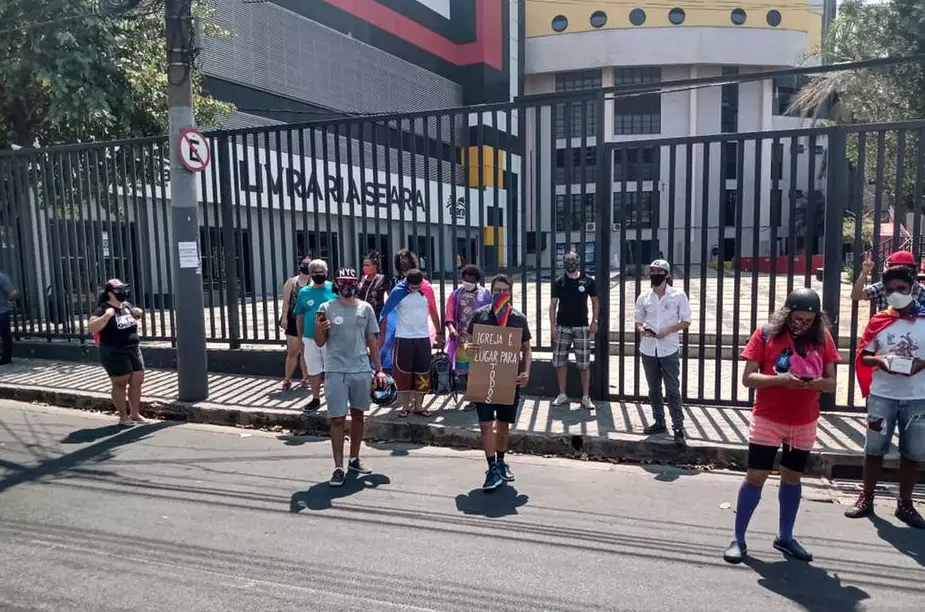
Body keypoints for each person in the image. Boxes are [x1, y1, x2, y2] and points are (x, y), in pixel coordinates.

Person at [722, 288, 839, 564]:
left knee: (792, 477)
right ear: (786, 314)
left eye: (808, 320)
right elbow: (748, 379)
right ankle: (738, 538)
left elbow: (832, 381)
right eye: (797, 319)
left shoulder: (822, 337)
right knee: (756, 475)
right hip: (767, 417)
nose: (802, 324)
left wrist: (814, 383)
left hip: (804, 420)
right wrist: (780, 379)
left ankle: (785, 537)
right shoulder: (766, 334)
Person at [846, 265, 925, 528]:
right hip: (882, 396)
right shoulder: (879, 320)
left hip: (917, 398)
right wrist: (880, 361)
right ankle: (866, 498)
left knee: (912, 453)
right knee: (874, 449)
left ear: (912, 288)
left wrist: (920, 364)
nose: (895, 295)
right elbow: (864, 356)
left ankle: (905, 503)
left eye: (901, 289)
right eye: (890, 290)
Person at [314, 267, 388, 487]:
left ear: (357, 283)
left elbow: (372, 342)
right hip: (336, 369)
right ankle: (338, 466)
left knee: (358, 416)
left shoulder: (365, 309)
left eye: (351, 281)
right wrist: (319, 329)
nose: (348, 285)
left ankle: (354, 459)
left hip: (360, 370)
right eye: (343, 281)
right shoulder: (325, 308)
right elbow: (319, 342)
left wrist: (379, 369)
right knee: (337, 418)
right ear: (336, 283)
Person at [465, 274, 532, 490]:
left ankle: (501, 462)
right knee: (486, 425)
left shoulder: (518, 319)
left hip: (509, 380)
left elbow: (526, 347)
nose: (500, 294)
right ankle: (491, 467)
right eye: (496, 291)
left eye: (504, 291)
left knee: (503, 425)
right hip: (484, 378)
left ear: (510, 293)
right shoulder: (480, 316)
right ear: (490, 292)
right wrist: (468, 348)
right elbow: (467, 342)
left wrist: (526, 372)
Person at [634, 259, 692, 444]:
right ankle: (659, 421)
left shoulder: (678, 295)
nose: (655, 275)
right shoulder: (644, 297)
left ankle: (678, 426)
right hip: (648, 348)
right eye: (652, 271)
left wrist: (668, 330)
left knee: (672, 389)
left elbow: (686, 320)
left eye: (659, 272)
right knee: (654, 388)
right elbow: (638, 320)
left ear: (667, 275)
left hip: (669, 348)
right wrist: (642, 329)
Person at [379, 268, 443, 417]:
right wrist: (381, 337)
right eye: (412, 286)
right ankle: (406, 406)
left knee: (423, 372)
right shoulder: (398, 292)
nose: (414, 289)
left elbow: (433, 312)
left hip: (423, 338)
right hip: (404, 338)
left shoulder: (427, 290)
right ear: (406, 282)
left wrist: (439, 333)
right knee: (403, 373)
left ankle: (419, 405)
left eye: (417, 286)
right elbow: (385, 313)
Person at [87, 279, 146, 427]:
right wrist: (107, 316)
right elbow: (92, 327)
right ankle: (123, 417)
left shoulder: (126, 305)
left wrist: (138, 313)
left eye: (124, 289)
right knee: (120, 383)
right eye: (119, 290)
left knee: (137, 380)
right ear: (110, 293)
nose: (123, 293)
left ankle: (135, 414)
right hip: (113, 351)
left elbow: (133, 318)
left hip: (133, 348)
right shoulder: (103, 309)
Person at [549, 250, 599, 410]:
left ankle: (585, 397)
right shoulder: (559, 282)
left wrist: (595, 320)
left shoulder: (588, 280)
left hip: (582, 326)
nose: (570, 263)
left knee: (584, 363)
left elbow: (595, 301)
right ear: (563, 262)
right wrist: (552, 325)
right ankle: (562, 394)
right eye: (567, 260)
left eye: (573, 260)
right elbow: (553, 305)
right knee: (560, 362)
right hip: (563, 326)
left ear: (578, 261)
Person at [445, 264, 492, 408]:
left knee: (479, 367)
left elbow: (492, 312)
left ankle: (481, 395)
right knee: (466, 370)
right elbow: (449, 315)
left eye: (471, 280)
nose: (467, 282)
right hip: (462, 338)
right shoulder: (455, 295)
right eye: (465, 279)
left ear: (477, 280)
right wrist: (451, 328)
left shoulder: (485, 294)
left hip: (480, 336)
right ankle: (472, 396)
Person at [294, 259, 336, 411]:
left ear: (326, 272)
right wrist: (300, 338)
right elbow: (299, 315)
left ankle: (332, 398)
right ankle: (315, 398)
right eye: (315, 273)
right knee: (313, 369)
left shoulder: (333, 288)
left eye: (321, 272)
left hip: (330, 336)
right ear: (310, 274)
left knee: (331, 369)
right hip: (309, 337)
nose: (319, 275)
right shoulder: (305, 292)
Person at [851, 250, 925, 312]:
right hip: (885, 327)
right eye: (896, 268)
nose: (899, 272)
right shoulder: (882, 286)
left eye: (902, 288)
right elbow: (856, 296)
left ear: (912, 270)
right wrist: (864, 272)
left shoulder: (921, 290)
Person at [278, 256, 311, 389]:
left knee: (306, 352)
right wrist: (284, 316)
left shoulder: (314, 282)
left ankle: (306, 378)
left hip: (308, 318)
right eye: (304, 264)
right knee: (292, 351)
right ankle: (287, 379)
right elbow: (286, 301)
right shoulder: (292, 282)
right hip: (293, 318)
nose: (305, 267)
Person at [357, 251, 388, 319]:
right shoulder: (361, 279)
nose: (365, 267)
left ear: (375, 266)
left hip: (376, 314)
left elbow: (386, 296)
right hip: (361, 313)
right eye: (363, 265)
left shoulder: (381, 279)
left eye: (367, 265)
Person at [0, 271, 18, 365]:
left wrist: (7, 300)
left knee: (5, 335)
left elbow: (12, 292)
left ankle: (6, 358)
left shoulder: (1, 277)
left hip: (2, 311)